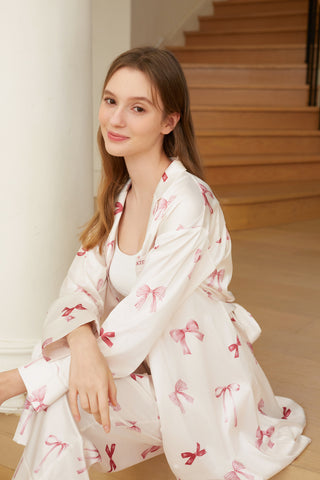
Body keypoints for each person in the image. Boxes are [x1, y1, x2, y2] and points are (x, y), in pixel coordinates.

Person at [0, 47, 310, 480]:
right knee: (63, 406)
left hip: (194, 380)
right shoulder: (118, 197)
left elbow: (144, 316)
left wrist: (21, 379)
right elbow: (76, 289)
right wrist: (85, 347)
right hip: (138, 369)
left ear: (170, 121)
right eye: (110, 101)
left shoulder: (188, 202)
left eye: (137, 108)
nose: (115, 119)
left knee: (58, 399)